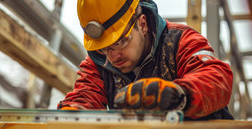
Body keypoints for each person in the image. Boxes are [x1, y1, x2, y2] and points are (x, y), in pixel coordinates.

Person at [58, 0, 234, 120]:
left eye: (121, 42)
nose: (113, 56)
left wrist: (180, 95)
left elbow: (217, 77)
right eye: (104, 48)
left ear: (142, 24)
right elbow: (84, 99)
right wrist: (67, 117)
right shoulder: (98, 62)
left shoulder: (180, 40)